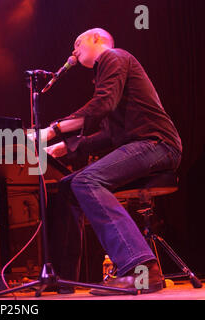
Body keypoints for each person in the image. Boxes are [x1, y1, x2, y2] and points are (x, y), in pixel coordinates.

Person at [41, 28, 182, 295]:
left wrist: (53, 129)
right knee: (70, 185)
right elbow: (108, 134)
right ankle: (66, 279)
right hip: (144, 146)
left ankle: (142, 268)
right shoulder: (107, 72)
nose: (74, 51)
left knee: (86, 180)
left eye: (78, 43)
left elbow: (102, 104)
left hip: (157, 144)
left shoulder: (113, 57)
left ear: (97, 39)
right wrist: (64, 148)